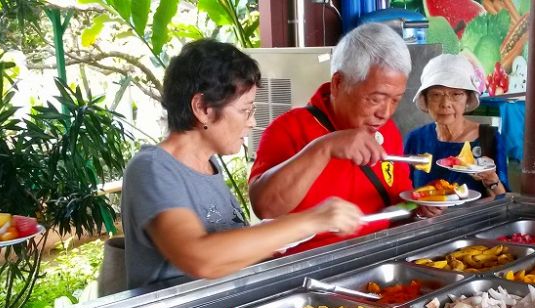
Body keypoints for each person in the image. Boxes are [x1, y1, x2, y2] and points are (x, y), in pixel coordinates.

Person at [121, 39, 362, 290]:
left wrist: (275, 243)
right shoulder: (152, 168)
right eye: (245, 110)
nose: (252, 122)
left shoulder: (208, 165)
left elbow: (227, 253)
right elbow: (201, 259)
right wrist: (311, 220)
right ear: (202, 108)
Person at [248, 23, 421, 254]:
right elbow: (266, 208)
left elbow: (399, 203)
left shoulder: (387, 131)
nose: (385, 113)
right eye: (376, 99)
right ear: (339, 83)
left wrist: (421, 206)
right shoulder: (288, 129)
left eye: (395, 100)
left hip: (377, 257)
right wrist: (324, 148)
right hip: (309, 266)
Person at [404, 54, 507, 198]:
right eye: (436, 95)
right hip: (427, 214)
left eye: (456, 94)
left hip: (476, 214)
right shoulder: (416, 139)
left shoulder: (489, 138)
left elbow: (502, 199)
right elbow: (403, 190)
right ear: (426, 100)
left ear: (468, 99)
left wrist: (492, 181)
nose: (445, 104)